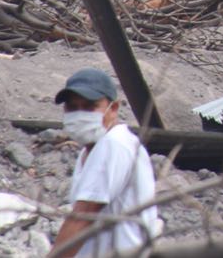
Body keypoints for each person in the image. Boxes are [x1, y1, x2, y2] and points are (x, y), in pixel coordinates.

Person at [50, 69, 158, 258]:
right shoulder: (92, 149)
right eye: (72, 107)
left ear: (113, 108)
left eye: (89, 107)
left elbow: (81, 219)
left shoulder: (113, 144)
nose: (79, 114)